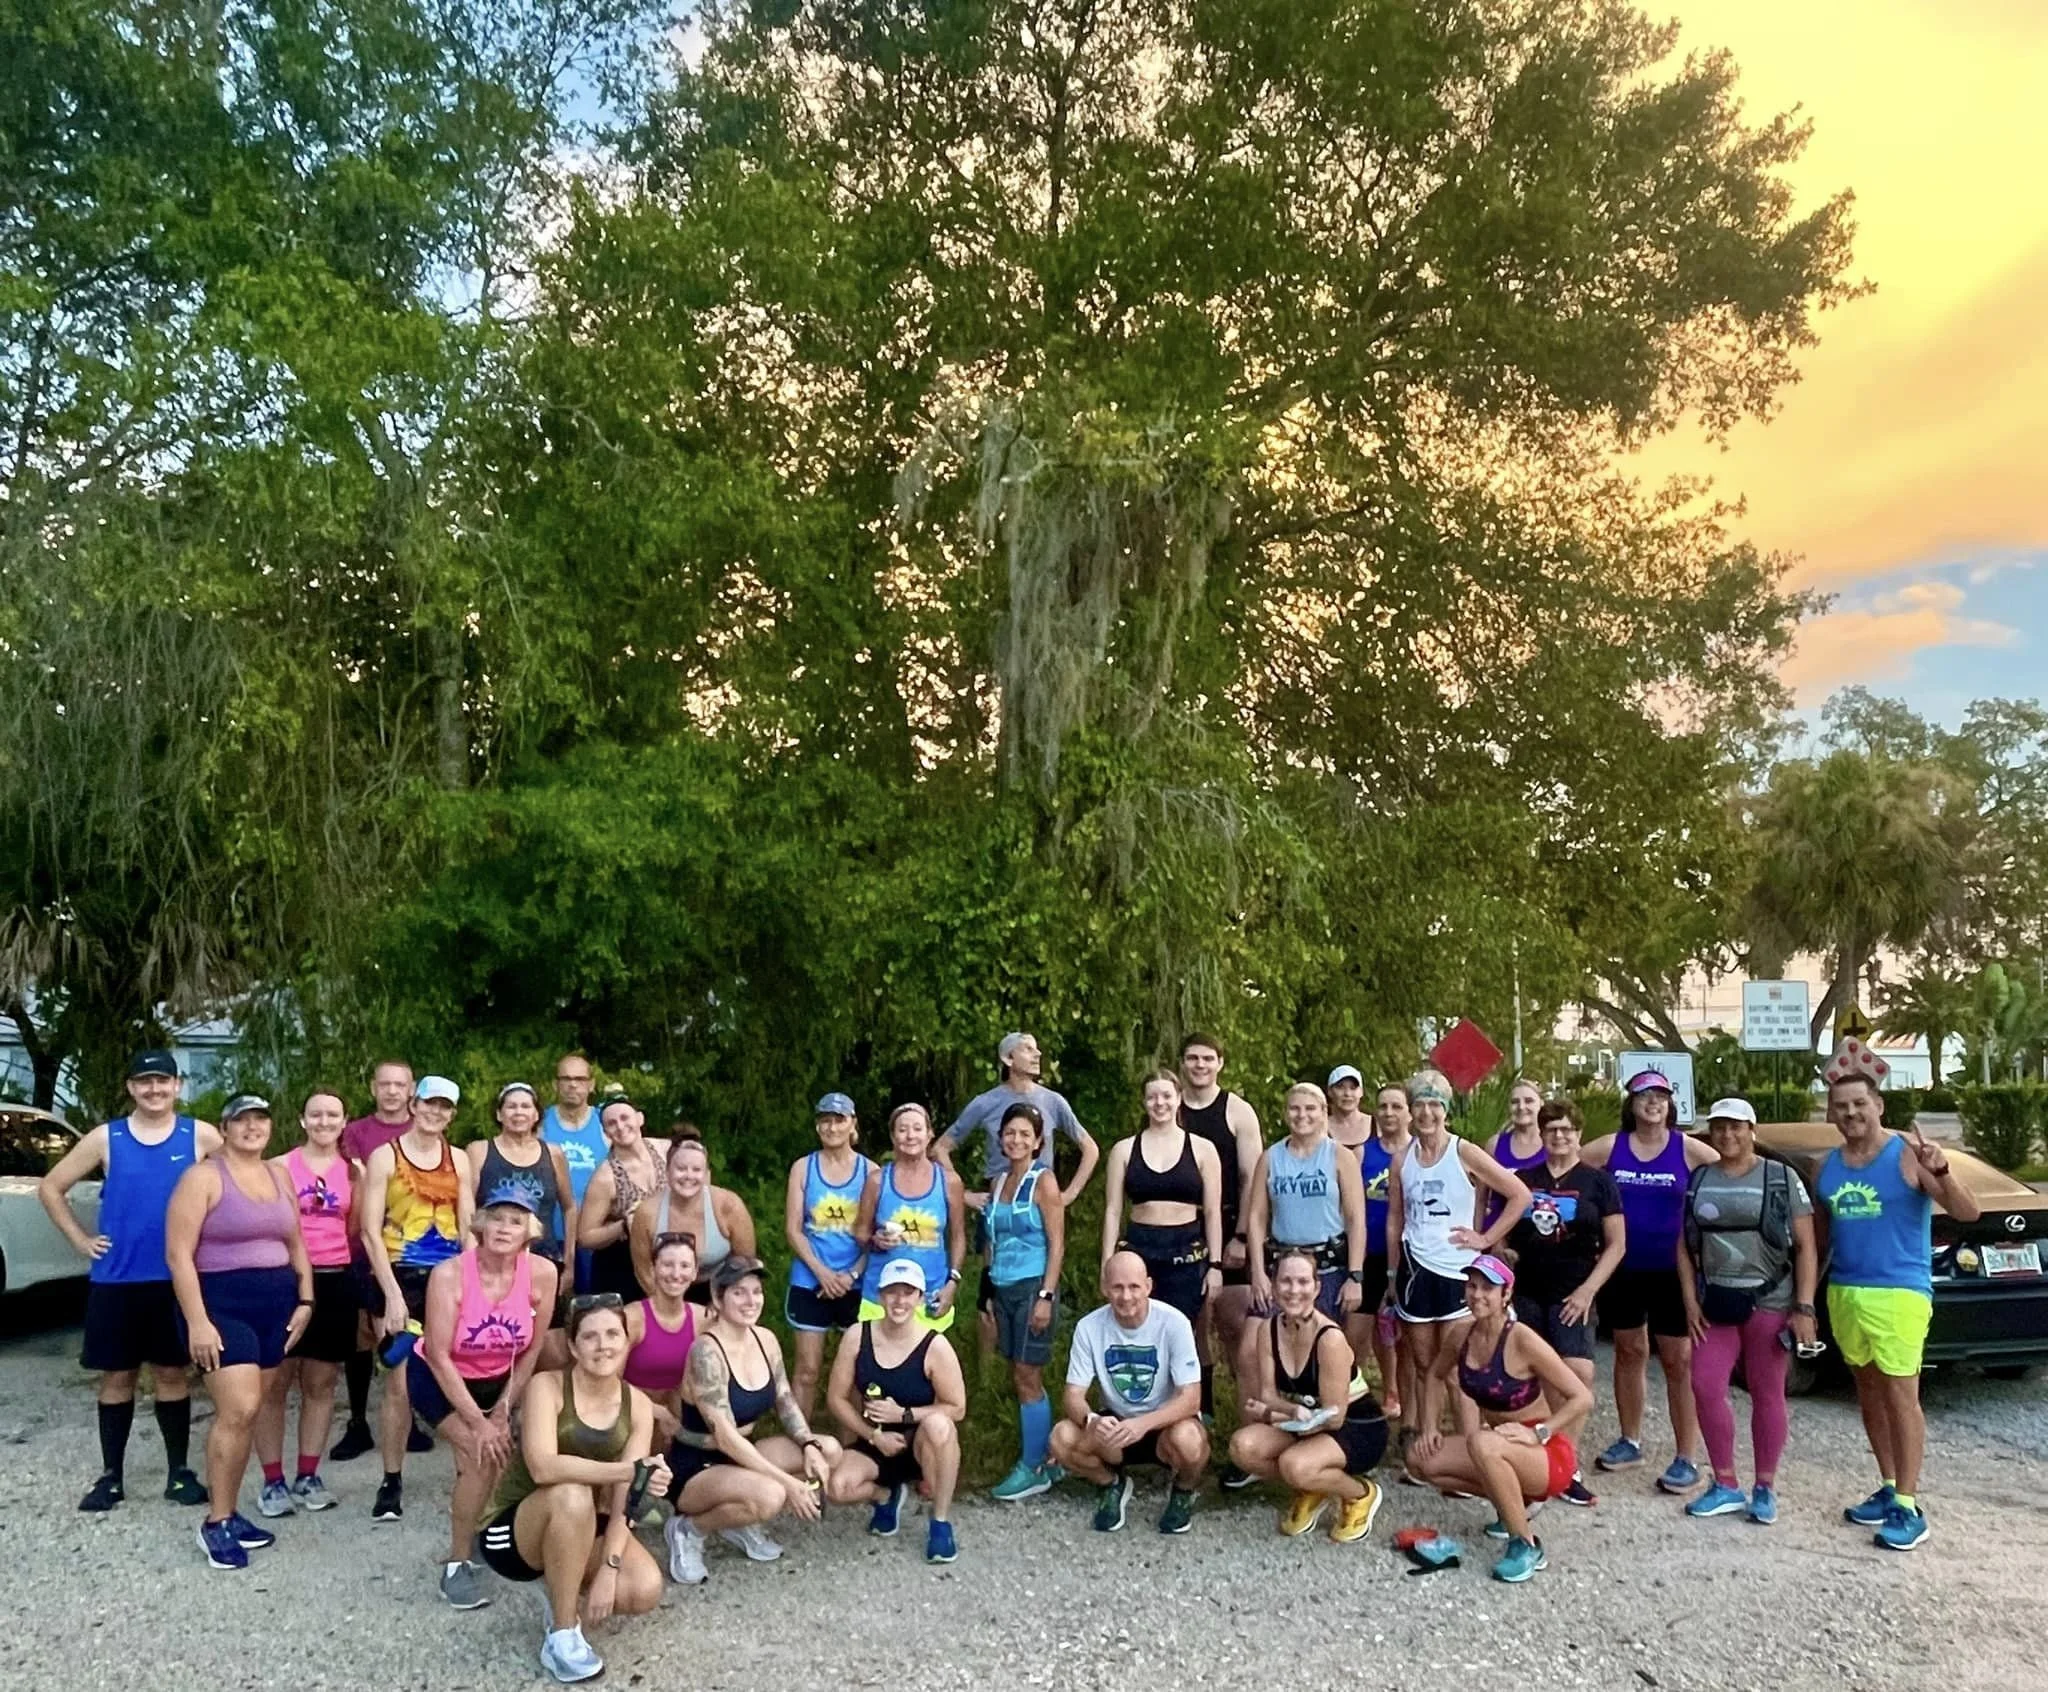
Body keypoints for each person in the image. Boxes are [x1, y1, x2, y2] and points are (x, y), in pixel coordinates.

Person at [38, 1048, 221, 1511]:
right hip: (117, 1280)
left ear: (178, 1086)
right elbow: (50, 1186)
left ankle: (179, 1473)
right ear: (131, 1088)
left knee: (171, 1374)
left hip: (176, 1279)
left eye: (163, 1082)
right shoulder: (106, 1138)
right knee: (117, 1376)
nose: (154, 1090)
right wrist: (80, 1240)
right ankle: (111, 1477)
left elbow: (240, 1179)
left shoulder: (199, 1135)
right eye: (145, 1083)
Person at [1817, 1068, 1979, 1551]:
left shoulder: (1908, 1154)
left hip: (1900, 1293)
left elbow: (1967, 1212)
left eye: (1859, 1104)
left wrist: (1943, 1170)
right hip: (1845, 1290)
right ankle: (1888, 1486)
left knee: (1901, 1396)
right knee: (1867, 1392)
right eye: (1841, 1106)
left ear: (1878, 1106)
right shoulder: (1827, 1166)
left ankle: (1909, 1506)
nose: (1850, 1113)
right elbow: (1821, 1239)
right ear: (1832, 1113)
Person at [476, 1296, 668, 1684]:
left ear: (627, 1340)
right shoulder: (547, 1387)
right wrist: (628, 1471)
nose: (603, 1345)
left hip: (582, 1520)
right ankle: (562, 1634)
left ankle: (562, 1577)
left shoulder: (639, 1406)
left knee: (643, 1589)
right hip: (512, 1530)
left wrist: (610, 1569)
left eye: (613, 1334)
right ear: (574, 1346)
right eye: (591, 1336)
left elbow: (626, 1497)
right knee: (572, 1492)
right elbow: (542, 1466)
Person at [164, 1094, 316, 1568]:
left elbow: (296, 1242)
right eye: (241, 1120)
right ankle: (214, 1522)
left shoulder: (279, 1174)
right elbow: (178, 1256)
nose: (252, 1127)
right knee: (239, 1408)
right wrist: (197, 1321)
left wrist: (307, 1299)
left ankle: (229, 1515)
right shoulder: (203, 1177)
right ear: (224, 1128)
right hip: (221, 1306)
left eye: (260, 1119)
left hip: (276, 1305)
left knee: (251, 1413)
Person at [412, 1183, 559, 1609]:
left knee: (495, 1458)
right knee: (481, 1459)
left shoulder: (543, 1274)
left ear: (529, 1232)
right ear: (480, 1224)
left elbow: (532, 1347)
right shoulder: (450, 1274)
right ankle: (457, 1564)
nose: (504, 1227)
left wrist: (502, 1411)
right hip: (441, 1378)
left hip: (499, 1378)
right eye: (496, 1217)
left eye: (515, 1221)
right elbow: (438, 1355)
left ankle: (477, 1533)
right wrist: (479, 1423)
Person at [1678, 1097, 1819, 1527]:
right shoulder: (1701, 1177)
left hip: (1770, 1301)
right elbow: (1685, 1244)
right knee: (1704, 1384)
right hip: (1717, 1302)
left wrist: (1804, 1307)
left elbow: (1806, 1245)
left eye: (1736, 1127)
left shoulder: (1780, 1176)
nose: (1727, 1135)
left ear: (1751, 1130)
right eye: (1719, 1127)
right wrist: (1689, 1300)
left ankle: (1764, 1486)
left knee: (1767, 1391)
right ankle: (1724, 1483)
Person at [1411, 1255, 1594, 1583]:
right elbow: (1435, 1376)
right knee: (1420, 1459)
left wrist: (1540, 1432)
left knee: (1480, 1441)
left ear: (1506, 1294)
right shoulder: (1460, 1334)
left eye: (1488, 1288)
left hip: (1546, 1453)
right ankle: (1513, 1505)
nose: (1477, 1294)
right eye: (1472, 1286)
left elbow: (1582, 1397)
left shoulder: (1522, 1338)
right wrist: (1428, 1426)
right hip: (1500, 1446)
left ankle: (1525, 1544)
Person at [1385, 1068, 1531, 1477]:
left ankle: (1474, 1452)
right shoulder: (1403, 1158)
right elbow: (1396, 1218)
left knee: (1456, 1369)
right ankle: (1430, 1444)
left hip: (1456, 1272)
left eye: (1436, 1105)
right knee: (1423, 1363)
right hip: (1416, 1270)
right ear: (1411, 1111)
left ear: (1446, 1110)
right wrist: (1394, 1274)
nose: (1428, 1113)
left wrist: (1486, 1239)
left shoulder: (1463, 1152)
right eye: (1421, 1105)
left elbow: (1518, 1195)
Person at [661, 1255, 840, 1584]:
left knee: (829, 1451)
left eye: (756, 1292)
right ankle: (688, 1530)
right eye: (739, 1292)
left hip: (742, 1453)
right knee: (772, 1495)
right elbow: (726, 1438)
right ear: (718, 1297)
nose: (751, 1301)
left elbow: (785, 1400)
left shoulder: (766, 1339)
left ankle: (739, 1518)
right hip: (699, 1465)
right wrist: (790, 1485)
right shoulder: (706, 1351)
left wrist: (809, 1443)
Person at [1581, 1068, 1718, 1490]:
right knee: (1628, 1350)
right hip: (1622, 1267)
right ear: (1632, 1104)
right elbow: (1564, 1166)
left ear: (1670, 1104)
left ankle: (1686, 1456)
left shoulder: (1688, 1149)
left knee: (1678, 1361)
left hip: (1673, 1270)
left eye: (1661, 1096)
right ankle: (1630, 1439)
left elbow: (1733, 1170)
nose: (1653, 1103)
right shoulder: (1611, 1147)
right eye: (1645, 1096)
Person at [936, 1031, 1099, 1347]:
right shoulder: (987, 1102)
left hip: (1038, 1197)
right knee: (990, 1288)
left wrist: (1069, 1194)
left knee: (1037, 1275)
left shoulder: (1052, 1101)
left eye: (1037, 1048)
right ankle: (987, 1379)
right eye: (1027, 1049)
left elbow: (1089, 1148)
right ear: (1008, 1059)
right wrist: (963, 1194)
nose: (1037, 1054)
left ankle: (1026, 1359)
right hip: (998, 1200)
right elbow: (941, 1147)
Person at [359, 1074, 474, 1523]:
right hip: (398, 1274)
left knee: (460, 1372)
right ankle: (392, 1479)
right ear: (413, 1103)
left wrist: (472, 1283)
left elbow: (467, 1224)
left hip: (447, 1277)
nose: (436, 1113)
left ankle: (469, 1469)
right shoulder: (384, 1156)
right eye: (429, 1103)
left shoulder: (460, 1159)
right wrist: (390, 1295)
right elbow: (370, 1229)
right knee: (400, 1381)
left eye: (445, 1107)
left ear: (452, 1114)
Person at [1503, 1098, 1623, 1508]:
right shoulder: (1522, 1178)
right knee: (1529, 1377)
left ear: (1578, 1134)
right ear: (1541, 1133)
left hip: (1574, 1291)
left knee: (1576, 1373)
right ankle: (1534, 1461)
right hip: (1526, 1291)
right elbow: (1501, 1228)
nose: (1559, 1136)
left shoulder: (1598, 1182)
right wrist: (1503, 1257)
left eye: (1567, 1129)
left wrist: (1589, 1290)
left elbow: (1617, 1244)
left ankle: (1565, 1465)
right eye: (1551, 1129)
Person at [1225, 1246, 1388, 1545]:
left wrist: (1272, 1414)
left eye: (1303, 1282)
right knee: (1242, 1447)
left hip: (1355, 1425)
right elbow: (1268, 1394)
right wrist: (1286, 1411)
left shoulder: (1330, 1339)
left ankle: (1360, 1493)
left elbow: (1335, 1416)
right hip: (1307, 1420)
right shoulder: (1268, 1330)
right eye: (1286, 1282)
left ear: (1317, 1288)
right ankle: (1314, 1484)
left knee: (1293, 1464)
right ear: (1273, 1286)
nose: (1294, 1290)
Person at [1049, 1250, 1209, 1535]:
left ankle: (1184, 1491)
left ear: (1148, 1286)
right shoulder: (1088, 1327)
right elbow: (1073, 1395)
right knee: (1061, 1438)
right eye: (1117, 1287)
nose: (1126, 1296)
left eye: (1134, 1287)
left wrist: (1143, 1424)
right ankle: (1110, 1484)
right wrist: (1091, 1421)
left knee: (1190, 1441)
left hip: (1164, 1424)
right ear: (1104, 1288)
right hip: (1116, 1426)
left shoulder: (1174, 1323)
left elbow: (1191, 1398)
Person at [253, 1088, 358, 1515]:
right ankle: (273, 1480)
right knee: (275, 1382)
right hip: (285, 1279)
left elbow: (352, 1227)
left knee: (321, 1382)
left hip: (335, 1278)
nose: (324, 1122)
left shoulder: (354, 1171)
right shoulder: (278, 1168)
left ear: (344, 1120)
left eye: (332, 1114)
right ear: (302, 1120)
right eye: (315, 1114)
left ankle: (309, 1474)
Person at [824, 1259, 970, 1563]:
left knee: (940, 1426)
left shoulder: (935, 1346)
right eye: (892, 1292)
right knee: (837, 1488)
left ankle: (940, 1523)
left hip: (920, 1441)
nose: (899, 1301)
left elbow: (956, 1408)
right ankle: (886, 1496)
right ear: (880, 1295)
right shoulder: (857, 1336)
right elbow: (836, 1398)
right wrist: (873, 1436)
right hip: (875, 1439)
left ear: (919, 1298)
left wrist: (902, 1414)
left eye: (908, 1293)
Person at [1178, 1032, 1264, 1419]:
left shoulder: (1238, 1111)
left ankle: (1251, 1407)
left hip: (1231, 1223)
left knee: (1235, 1322)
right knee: (1190, 1322)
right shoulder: (1169, 1106)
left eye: (1207, 1058)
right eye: (1193, 1058)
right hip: (1182, 1225)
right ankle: (1203, 1406)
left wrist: (1243, 1236)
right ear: (1182, 1062)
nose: (1200, 1065)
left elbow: (1253, 1178)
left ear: (1220, 1063)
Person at [985, 1099, 1067, 1501]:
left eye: (1025, 1134)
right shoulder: (998, 1182)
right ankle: (1050, 1457)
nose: (1016, 1140)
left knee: (1027, 1374)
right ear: (1001, 1138)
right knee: (1019, 1373)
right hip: (1003, 1286)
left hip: (1034, 1283)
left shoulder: (1044, 1181)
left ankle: (1034, 1466)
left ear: (1038, 1142)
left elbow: (1057, 1243)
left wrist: (1047, 1296)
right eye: (1010, 1133)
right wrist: (986, 1291)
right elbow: (991, 1240)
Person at [333, 1058, 415, 1460]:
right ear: (373, 1088)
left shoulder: (423, 1129)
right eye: (385, 1084)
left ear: (411, 1089)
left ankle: (409, 1419)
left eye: (400, 1084)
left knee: (407, 1333)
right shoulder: (354, 1133)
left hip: (408, 1248)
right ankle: (358, 1422)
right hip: (360, 1244)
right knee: (361, 1336)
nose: (392, 1091)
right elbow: (347, 1181)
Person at [1100, 1069, 1225, 1327]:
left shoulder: (1203, 1149)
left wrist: (1216, 1265)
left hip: (1186, 1250)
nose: (1160, 1103)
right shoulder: (1123, 1150)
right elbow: (1113, 1210)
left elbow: (1213, 1212)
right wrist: (1107, 1261)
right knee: (1137, 1325)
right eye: (1152, 1097)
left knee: (1182, 1328)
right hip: (1139, 1247)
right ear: (1144, 1102)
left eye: (1166, 1096)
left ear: (1179, 1098)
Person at [782, 1093, 874, 1419]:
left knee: (854, 1376)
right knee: (807, 1370)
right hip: (811, 1276)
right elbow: (793, 1229)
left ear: (852, 1125)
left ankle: (854, 1451)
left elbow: (875, 1237)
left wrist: (850, 1276)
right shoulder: (803, 1168)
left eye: (839, 1119)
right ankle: (799, 1446)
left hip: (858, 1280)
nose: (831, 1126)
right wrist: (822, 1272)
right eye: (825, 1119)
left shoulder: (871, 1172)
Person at [856, 1103, 967, 1332]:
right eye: (902, 1129)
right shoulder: (877, 1181)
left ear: (929, 1134)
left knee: (927, 1365)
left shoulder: (949, 1181)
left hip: (930, 1293)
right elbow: (860, 1232)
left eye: (917, 1128)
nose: (910, 1135)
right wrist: (875, 1241)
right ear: (893, 1137)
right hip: (881, 1294)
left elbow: (958, 1236)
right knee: (875, 1364)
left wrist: (952, 1283)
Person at [631, 1132, 754, 1306]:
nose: (688, 1176)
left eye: (696, 1170)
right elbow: (644, 1271)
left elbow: (745, 1263)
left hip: (719, 1288)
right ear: (667, 1172)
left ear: (707, 1175)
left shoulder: (729, 1206)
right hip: (663, 1290)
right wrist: (667, 1308)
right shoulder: (647, 1212)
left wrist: (722, 1304)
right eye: (681, 1169)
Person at [468, 1082, 577, 1273]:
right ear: (499, 1114)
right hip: (490, 1262)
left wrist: (569, 1260)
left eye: (526, 1106)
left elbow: (569, 1208)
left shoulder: (553, 1154)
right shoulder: (479, 1151)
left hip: (544, 1261)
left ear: (536, 1115)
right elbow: (466, 1209)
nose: (519, 1112)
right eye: (511, 1106)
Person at [577, 1097, 669, 1301]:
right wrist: (623, 1226)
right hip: (622, 1265)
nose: (620, 1126)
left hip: (670, 1257)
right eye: (611, 1123)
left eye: (625, 1118)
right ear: (605, 1132)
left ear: (640, 1119)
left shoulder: (667, 1150)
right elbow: (585, 1237)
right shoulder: (604, 1177)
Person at [1359, 1082, 1412, 1420]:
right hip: (1369, 1252)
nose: (1389, 1113)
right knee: (1370, 1329)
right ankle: (1387, 1389)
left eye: (1396, 1106)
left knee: (1408, 1333)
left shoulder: (1421, 1151)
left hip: (1410, 1255)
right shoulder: (1362, 1153)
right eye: (1383, 1107)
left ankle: (1411, 1404)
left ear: (1409, 1111)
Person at [622, 1232, 699, 1444]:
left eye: (684, 1266)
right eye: (667, 1265)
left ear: (695, 1272)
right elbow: (609, 1381)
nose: (676, 1274)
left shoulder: (702, 1319)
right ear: (652, 1269)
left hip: (678, 1411)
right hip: (632, 1409)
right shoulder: (633, 1318)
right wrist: (656, 1412)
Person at [1486, 1079, 1548, 1225]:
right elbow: (1481, 1197)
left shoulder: (1554, 1144)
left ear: (1541, 1104)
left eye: (1529, 1101)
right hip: (1497, 1231)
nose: (1521, 1107)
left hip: (1539, 1227)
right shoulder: (1495, 1144)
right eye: (1514, 1102)